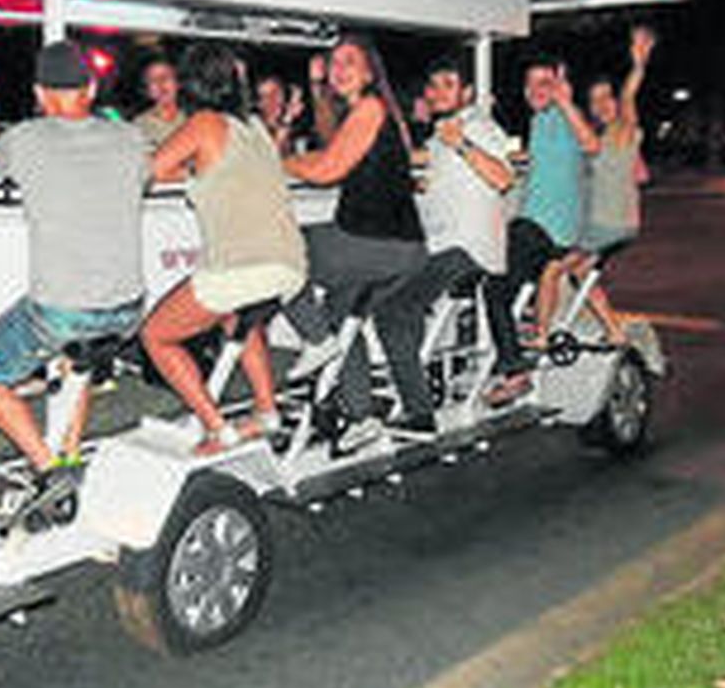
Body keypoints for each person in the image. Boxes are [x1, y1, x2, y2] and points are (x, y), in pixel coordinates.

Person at [0, 41, 151, 520]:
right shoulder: (129, 137)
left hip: (62, 312)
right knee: (75, 360)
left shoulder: (23, 138)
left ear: (40, 93)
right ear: (90, 87)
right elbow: (143, 178)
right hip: (129, 309)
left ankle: (49, 469)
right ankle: (68, 460)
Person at [142, 44, 307, 453]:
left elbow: (146, 172)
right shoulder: (253, 127)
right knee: (237, 318)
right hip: (289, 263)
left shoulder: (203, 123)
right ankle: (266, 412)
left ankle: (217, 426)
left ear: (190, 83)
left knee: (156, 335)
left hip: (244, 265)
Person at [282, 36, 427, 452]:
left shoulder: (370, 108)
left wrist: (274, 163)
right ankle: (361, 417)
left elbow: (327, 167)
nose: (339, 69)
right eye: (334, 62)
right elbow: (332, 140)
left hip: (377, 244)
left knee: (279, 251)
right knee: (339, 312)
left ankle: (316, 343)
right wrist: (316, 89)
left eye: (349, 62)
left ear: (368, 72)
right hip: (395, 248)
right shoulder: (367, 109)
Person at [398, 57, 533, 412]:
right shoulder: (445, 132)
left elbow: (504, 178)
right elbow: (435, 175)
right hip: (444, 244)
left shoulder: (477, 126)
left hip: (466, 249)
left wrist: (462, 145)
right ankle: (423, 373)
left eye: (448, 84)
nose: (438, 92)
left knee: (394, 307)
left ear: (467, 92)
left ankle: (415, 406)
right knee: (388, 277)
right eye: (434, 85)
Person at [492, 57, 600, 355]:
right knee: (545, 275)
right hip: (552, 226)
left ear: (559, 86)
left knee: (492, 285)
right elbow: (556, 157)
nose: (535, 90)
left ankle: (510, 362)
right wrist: (521, 159)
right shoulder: (539, 120)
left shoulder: (563, 114)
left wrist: (565, 102)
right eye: (530, 84)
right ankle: (540, 334)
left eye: (544, 83)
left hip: (544, 224)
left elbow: (591, 145)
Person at [563, 26, 654, 345]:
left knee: (551, 267)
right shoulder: (598, 138)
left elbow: (630, 96)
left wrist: (638, 65)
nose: (601, 105)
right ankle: (613, 330)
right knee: (577, 271)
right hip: (614, 223)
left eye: (606, 97)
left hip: (608, 223)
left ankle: (546, 330)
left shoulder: (623, 130)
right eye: (594, 100)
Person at [132, 55, 186, 148]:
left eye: (165, 76)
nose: (160, 83)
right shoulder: (140, 126)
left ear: (178, 83)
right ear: (147, 90)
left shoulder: (193, 118)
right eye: (153, 79)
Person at [254, 73, 306, 157]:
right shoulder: (255, 126)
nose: (272, 99)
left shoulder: (296, 121)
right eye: (266, 96)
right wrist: (288, 118)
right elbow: (271, 155)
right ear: (259, 103)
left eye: (276, 93)